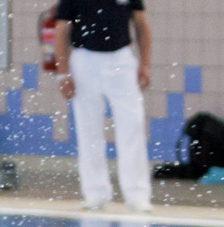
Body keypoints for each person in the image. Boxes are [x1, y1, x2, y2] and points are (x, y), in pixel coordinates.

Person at [54, 0, 153, 213]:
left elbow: (141, 24)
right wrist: (63, 73)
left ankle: (137, 194)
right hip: (84, 60)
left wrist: (144, 64)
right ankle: (95, 193)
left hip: (121, 59)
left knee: (133, 126)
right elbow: (62, 29)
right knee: (88, 129)